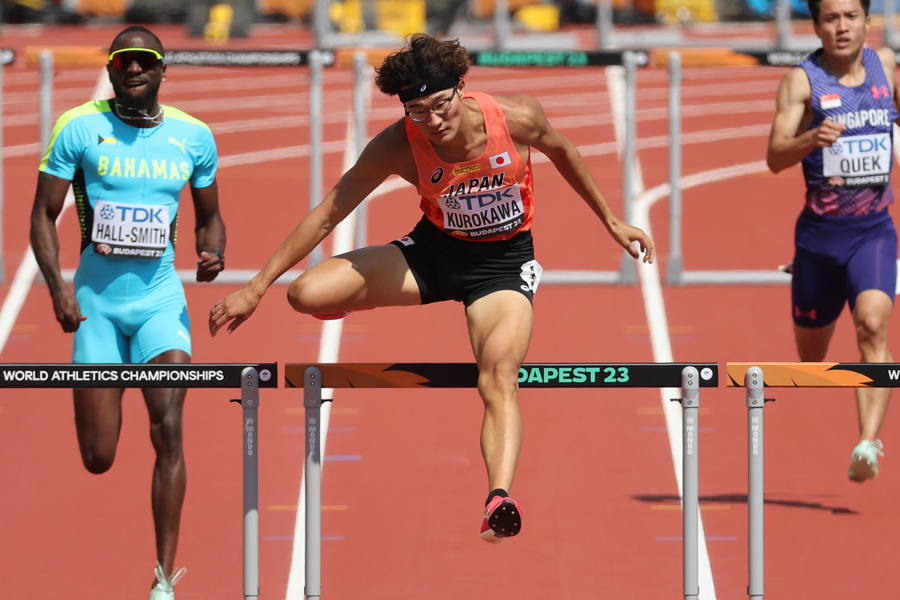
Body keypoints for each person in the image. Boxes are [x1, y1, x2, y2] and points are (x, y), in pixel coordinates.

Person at [209, 34, 653, 542]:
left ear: (461, 89)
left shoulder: (517, 118)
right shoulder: (400, 143)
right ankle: (348, 301)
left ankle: (498, 498)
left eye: (440, 105)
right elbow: (331, 210)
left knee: (500, 373)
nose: (433, 121)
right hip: (432, 254)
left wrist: (613, 221)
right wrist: (258, 286)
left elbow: (566, 153)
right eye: (417, 111)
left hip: (501, 267)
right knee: (304, 295)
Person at [30, 26, 225, 598]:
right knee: (98, 457)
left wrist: (212, 249)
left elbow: (209, 215)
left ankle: (164, 578)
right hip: (95, 305)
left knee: (168, 423)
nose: (134, 69)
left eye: (145, 61)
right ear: (111, 70)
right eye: (123, 62)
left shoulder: (193, 136)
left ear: (163, 70)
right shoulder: (79, 127)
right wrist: (57, 289)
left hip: (161, 301)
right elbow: (43, 215)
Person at [767, 0, 897, 482]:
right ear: (817, 25)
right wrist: (811, 138)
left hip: (874, 231)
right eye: (830, 19)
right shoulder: (801, 82)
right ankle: (802, 274)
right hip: (820, 239)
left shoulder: (886, 68)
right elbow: (775, 157)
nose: (841, 27)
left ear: (867, 20)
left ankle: (867, 443)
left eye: (850, 16)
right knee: (811, 359)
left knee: (872, 325)